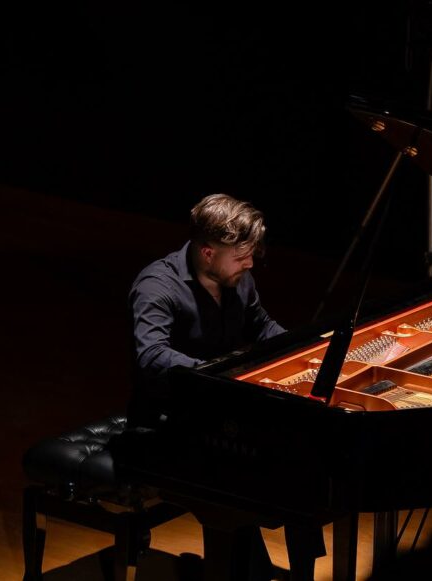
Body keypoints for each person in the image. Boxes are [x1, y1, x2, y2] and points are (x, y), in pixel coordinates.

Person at [127, 193, 324, 580]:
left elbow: (261, 325)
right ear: (207, 252)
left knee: (303, 452)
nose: (250, 264)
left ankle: (303, 572)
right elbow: (151, 355)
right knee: (244, 468)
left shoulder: (238, 279)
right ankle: (243, 569)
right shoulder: (157, 287)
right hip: (167, 420)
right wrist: (214, 377)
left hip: (219, 410)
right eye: (241, 256)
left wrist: (305, 352)